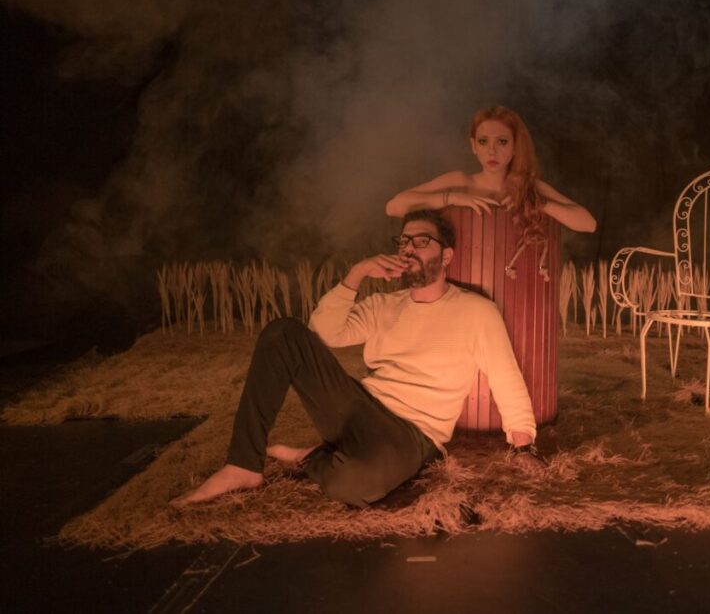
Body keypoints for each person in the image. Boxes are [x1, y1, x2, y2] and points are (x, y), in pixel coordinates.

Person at [172, 209, 543, 508]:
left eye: (422, 241)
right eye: (404, 241)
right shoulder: (383, 304)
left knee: (353, 486)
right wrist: (357, 274)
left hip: (413, 433)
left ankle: (314, 458)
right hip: (361, 406)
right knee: (283, 333)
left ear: (447, 255)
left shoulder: (476, 312)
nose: (409, 249)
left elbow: (505, 377)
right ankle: (242, 465)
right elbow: (323, 333)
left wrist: (523, 446)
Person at [385, 106, 597, 235]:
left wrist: (537, 202)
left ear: (515, 146)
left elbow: (589, 224)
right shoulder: (460, 182)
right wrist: (453, 198)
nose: (492, 151)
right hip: (460, 289)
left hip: (516, 289)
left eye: (502, 141)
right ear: (473, 146)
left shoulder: (530, 187)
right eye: (483, 141)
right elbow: (393, 207)